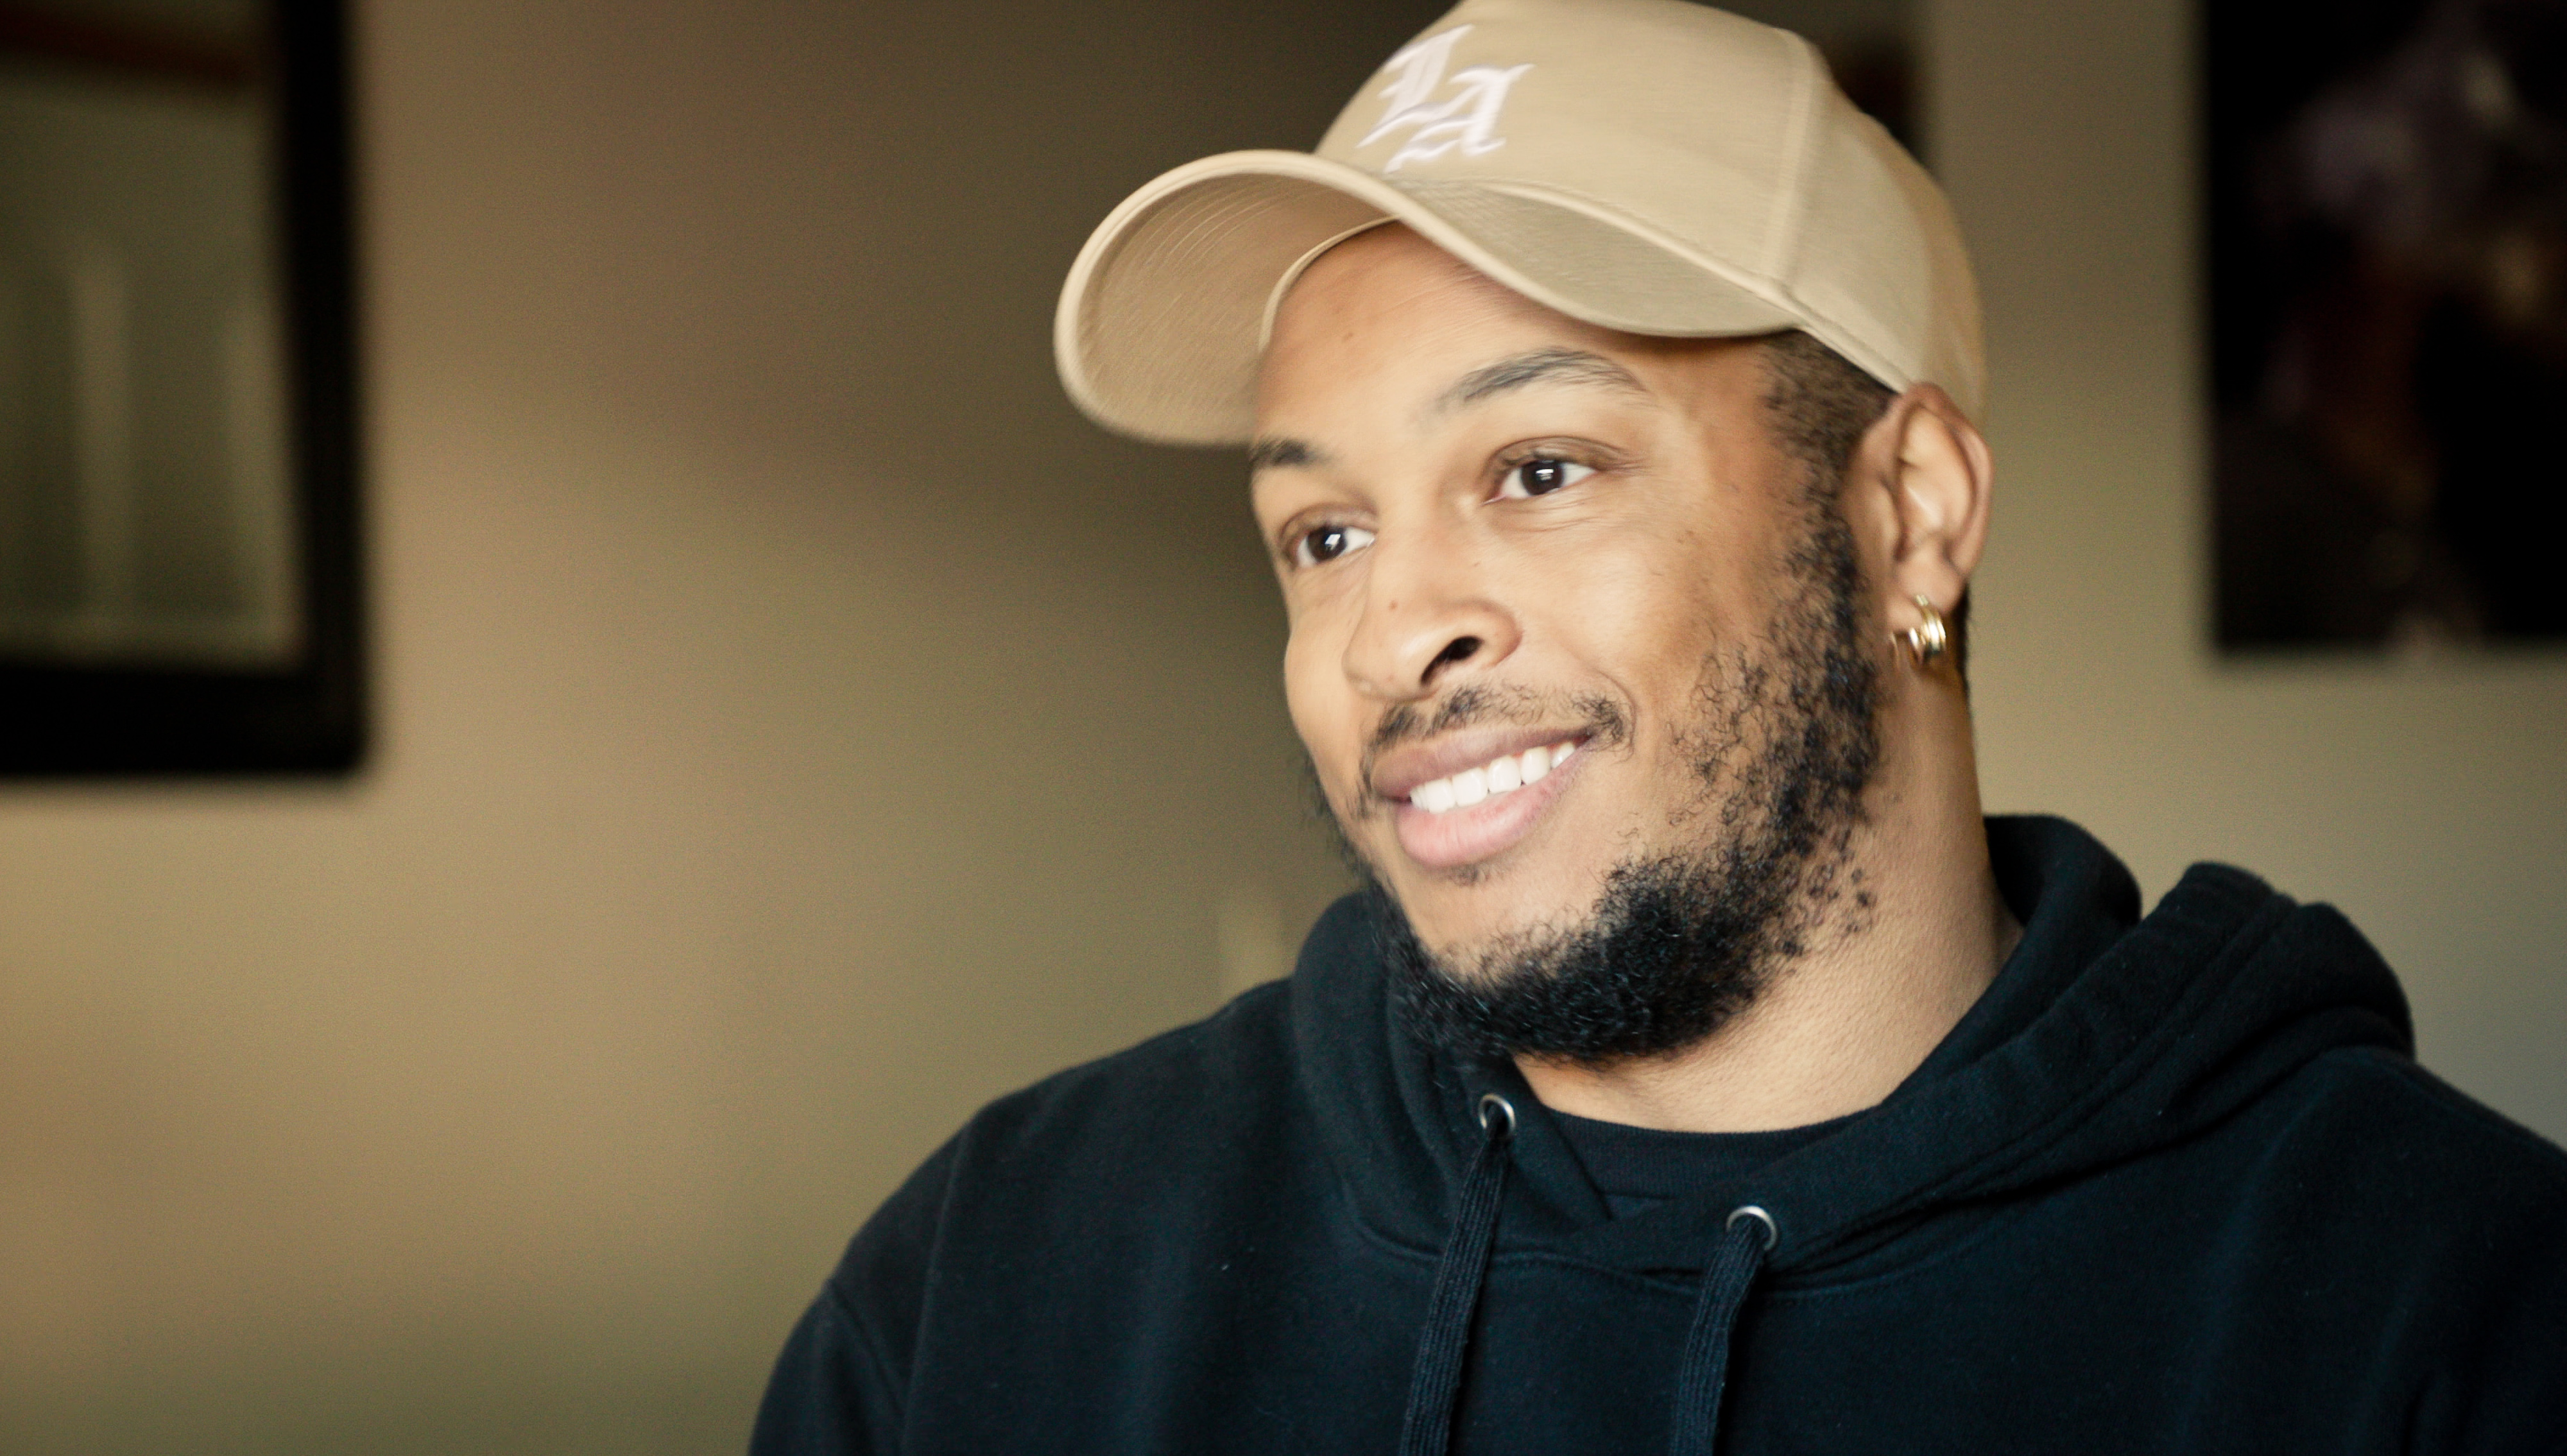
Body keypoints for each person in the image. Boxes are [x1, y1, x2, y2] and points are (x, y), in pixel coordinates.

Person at [752, 2, 2567, 1452]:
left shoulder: (2442, 1309)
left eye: (1540, 470)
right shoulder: (1001, 1271)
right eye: (1324, 531)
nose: (1391, 630)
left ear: (1914, 508)